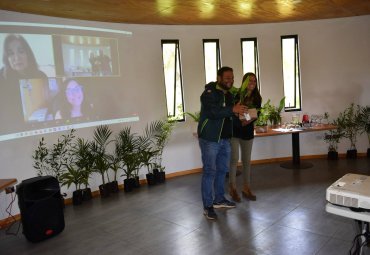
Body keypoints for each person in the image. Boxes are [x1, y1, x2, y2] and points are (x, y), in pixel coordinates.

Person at [198, 66, 248, 220]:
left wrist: (245, 118)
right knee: (209, 172)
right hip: (210, 139)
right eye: (227, 78)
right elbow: (214, 113)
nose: (230, 81)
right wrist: (233, 109)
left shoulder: (230, 95)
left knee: (221, 171)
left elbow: (231, 116)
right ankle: (207, 206)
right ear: (219, 78)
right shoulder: (209, 93)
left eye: (232, 78)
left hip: (225, 139)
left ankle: (219, 199)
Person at [0, 34, 49, 132]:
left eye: (21, 51)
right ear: (7, 58)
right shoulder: (2, 77)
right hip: (12, 134)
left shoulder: (41, 76)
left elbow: (47, 104)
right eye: (11, 53)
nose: (17, 57)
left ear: (28, 54)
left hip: (39, 129)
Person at [229, 72, 262, 202]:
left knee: (247, 161)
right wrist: (241, 118)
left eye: (254, 81)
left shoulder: (257, 98)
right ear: (244, 82)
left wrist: (247, 120)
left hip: (247, 131)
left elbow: (254, 115)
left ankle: (246, 188)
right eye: (249, 81)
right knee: (234, 159)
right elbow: (233, 112)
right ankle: (232, 189)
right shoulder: (236, 95)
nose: (252, 83)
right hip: (235, 131)